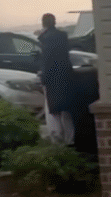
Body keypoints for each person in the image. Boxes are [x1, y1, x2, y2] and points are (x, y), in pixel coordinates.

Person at [38, 13, 75, 146]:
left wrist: (44, 78)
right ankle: (70, 139)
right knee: (66, 110)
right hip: (65, 76)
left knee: (53, 111)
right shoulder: (62, 36)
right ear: (54, 21)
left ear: (44, 23)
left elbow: (47, 61)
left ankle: (58, 139)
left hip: (52, 78)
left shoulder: (45, 39)